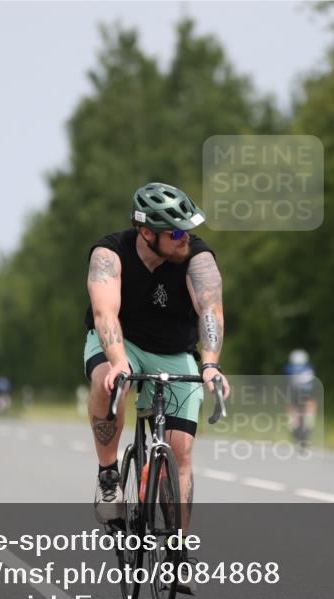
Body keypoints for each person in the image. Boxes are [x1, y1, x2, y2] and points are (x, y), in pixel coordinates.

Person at [84, 182, 231, 534]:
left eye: (189, 229)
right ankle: (108, 476)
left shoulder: (198, 258)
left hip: (174, 351)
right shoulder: (110, 254)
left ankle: (178, 548)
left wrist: (210, 363)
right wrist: (119, 362)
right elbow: (105, 315)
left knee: (180, 452)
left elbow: (210, 312)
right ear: (147, 233)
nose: (186, 238)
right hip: (122, 342)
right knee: (106, 378)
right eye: (176, 231)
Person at [284, 349, 317, 448]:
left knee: (290, 405)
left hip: (294, 390)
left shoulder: (289, 367)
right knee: (311, 402)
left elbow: (285, 382)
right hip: (307, 390)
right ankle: (310, 422)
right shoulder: (309, 367)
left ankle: (292, 425)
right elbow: (313, 381)